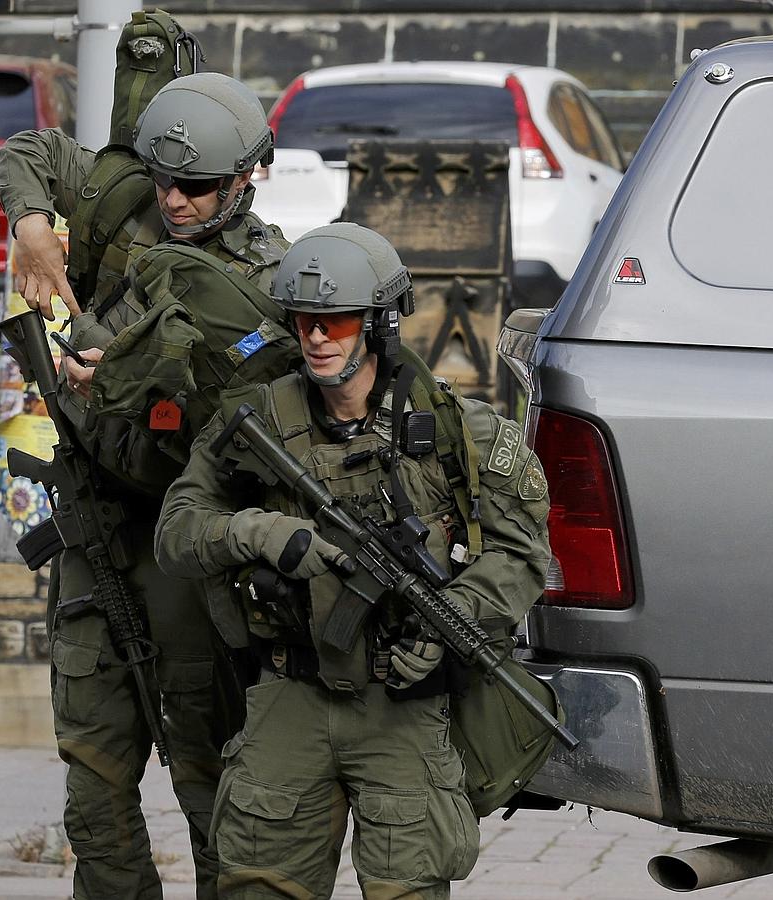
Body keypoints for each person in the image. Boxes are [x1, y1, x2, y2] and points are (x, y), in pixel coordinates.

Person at [153, 223, 553, 899]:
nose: (315, 337)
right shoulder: (255, 421)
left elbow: (522, 554)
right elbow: (177, 532)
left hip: (401, 708)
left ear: (376, 324)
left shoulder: (457, 431)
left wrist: (449, 618)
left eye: (334, 321)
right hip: (290, 695)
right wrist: (262, 532)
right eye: (305, 320)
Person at [0, 71, 293, 900]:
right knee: (93, 786)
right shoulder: (131, 201)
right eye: (165, 181)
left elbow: (258, 429)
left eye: (197, 187)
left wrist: (137, 382)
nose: (176, 201)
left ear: (246, 179)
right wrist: (30, 226)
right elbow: (27, 151)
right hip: (95, 527)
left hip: (188, 547)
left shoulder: (264, 285)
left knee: (207, 783)